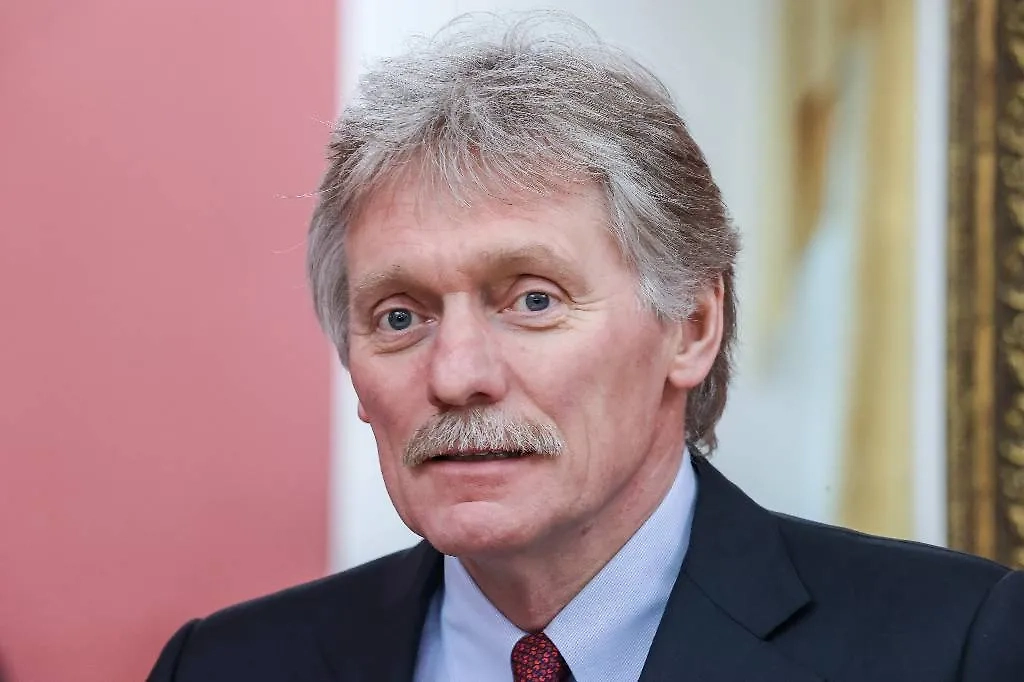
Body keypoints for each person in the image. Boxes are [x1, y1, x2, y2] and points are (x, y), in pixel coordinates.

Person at [147, 13, 1024, 682]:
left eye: (533, 300)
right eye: (401, 317)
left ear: (692, 327)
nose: (456, 375)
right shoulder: (224, 667)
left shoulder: (953, 647)